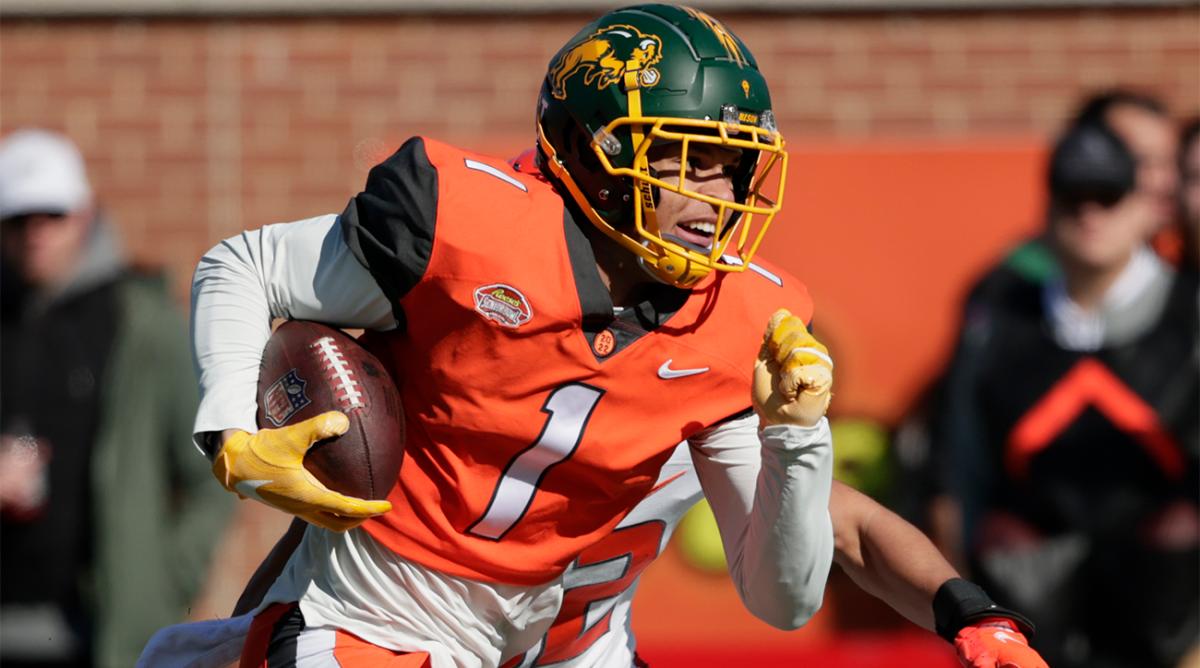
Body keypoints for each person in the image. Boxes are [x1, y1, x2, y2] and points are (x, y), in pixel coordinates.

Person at [178, 6, 1046, 667]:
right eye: (683, 156)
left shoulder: (740, 328)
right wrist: (232, 421)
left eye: (734, 163)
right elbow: (243, 265)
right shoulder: (468, 226)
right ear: (590, 153)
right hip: (386, 609)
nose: (716, 191)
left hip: (571, 647)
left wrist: (797, 435)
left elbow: (796, 582)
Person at [928, 111, 1198, 668]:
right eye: (1073, 197)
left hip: (1172, 610)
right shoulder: (999, 313)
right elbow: (957, 461)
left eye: (1108, 195)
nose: (1090, 214)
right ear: (1048, 206)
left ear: (1145, 203)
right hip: (1034, 607)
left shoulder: (1190, 314)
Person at [0, 129, 233, 667]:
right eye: (17, 219)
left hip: (103, 631)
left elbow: (211, 471)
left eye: (50, 215)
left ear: (84, 214)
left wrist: (164, 578)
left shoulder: (140, 324)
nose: (34, 234)